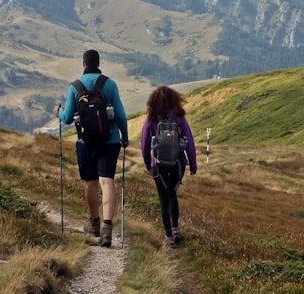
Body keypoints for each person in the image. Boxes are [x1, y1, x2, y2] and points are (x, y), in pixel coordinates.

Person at [56, 49, 129, 247]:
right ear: (98, 63)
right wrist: (125, 137)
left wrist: (59, 112)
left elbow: (68, 117)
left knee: (90, 183)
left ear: (83, 64)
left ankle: (94, 224)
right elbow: (121, 115)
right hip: (110, 141)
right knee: (107, 182)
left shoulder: (75, 87)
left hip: (85, 142)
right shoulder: (110, 84)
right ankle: (107, 228)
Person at [140, 85, 198, 247]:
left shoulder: (151, 118)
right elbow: (190, 143)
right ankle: (176, 228)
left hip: (158, 165)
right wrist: (193, 165)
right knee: (172, 195)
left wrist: (147, 163)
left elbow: (144, 143)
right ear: (175, 99)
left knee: (163, 198)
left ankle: (168, 235)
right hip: (177, 164)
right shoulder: (180, 117)